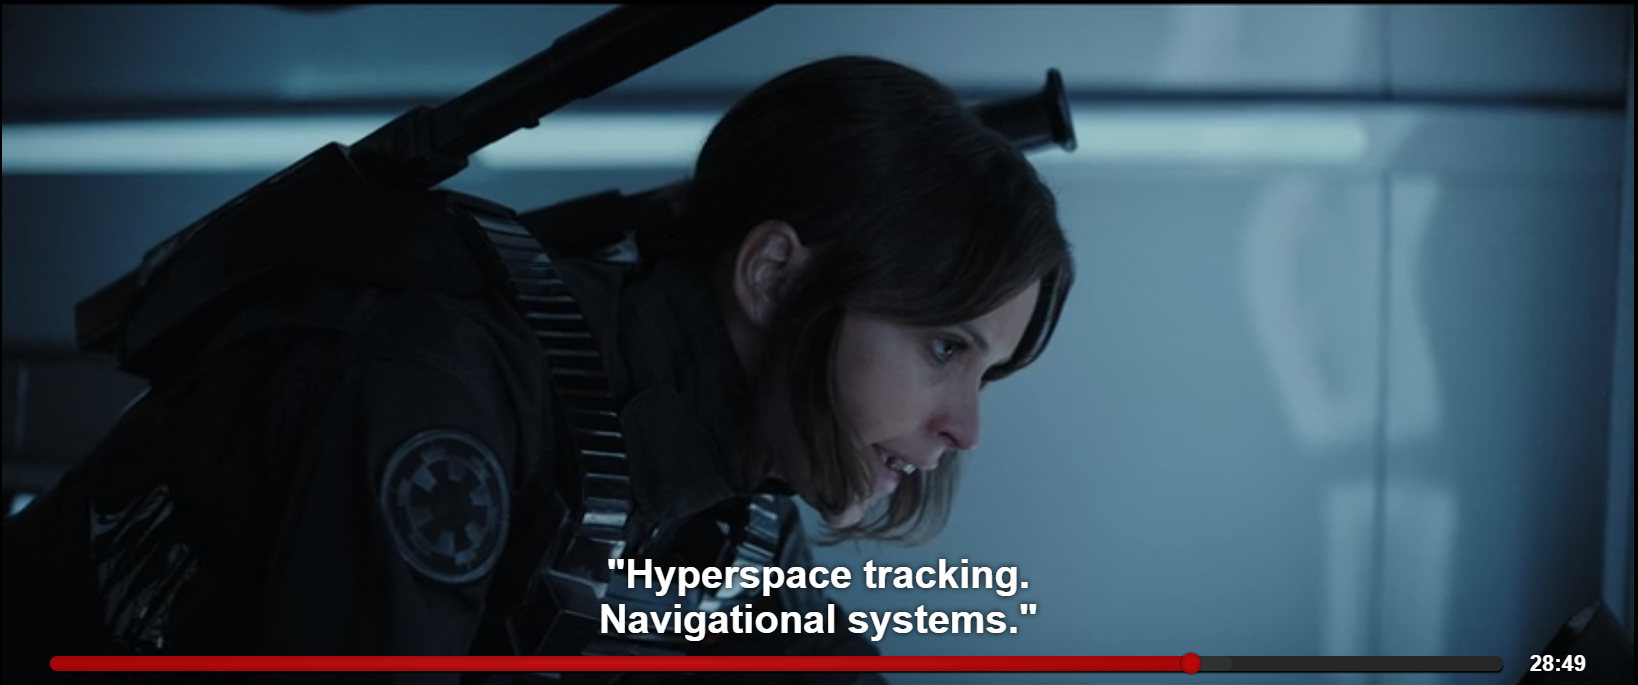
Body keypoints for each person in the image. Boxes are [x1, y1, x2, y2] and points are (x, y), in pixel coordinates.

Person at [1, 55, 1073, 684]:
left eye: (987, 371)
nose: (964, 428)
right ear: (772, 274)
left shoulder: (739, 508)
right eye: (945, 347)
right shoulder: (444, 394)